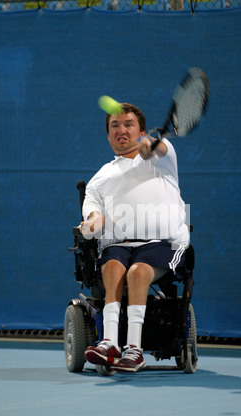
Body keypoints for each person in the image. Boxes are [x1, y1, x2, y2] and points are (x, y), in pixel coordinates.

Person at [81, 103, 189, 373]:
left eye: (128, 124)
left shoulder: (162, 158)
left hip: (163, 244)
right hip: (118, 246)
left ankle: (134, 349)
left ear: (141, 131)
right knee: (114, 266)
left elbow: (162, 148)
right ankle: (108, 343)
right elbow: (93, 214)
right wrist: (93, 223)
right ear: (108, 135)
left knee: (138, 272)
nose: (121, 130)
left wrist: (152, 145)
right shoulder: (99, 179)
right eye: (114, 126)